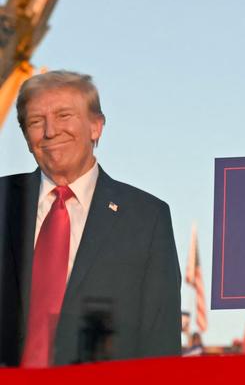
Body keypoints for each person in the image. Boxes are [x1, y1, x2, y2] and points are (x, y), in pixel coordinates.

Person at [0, 71, 181, 367]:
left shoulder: (147, 218)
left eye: (64, 115)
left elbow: (160, 341)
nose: (50, 131)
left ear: (96, 126)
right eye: (35, 121)